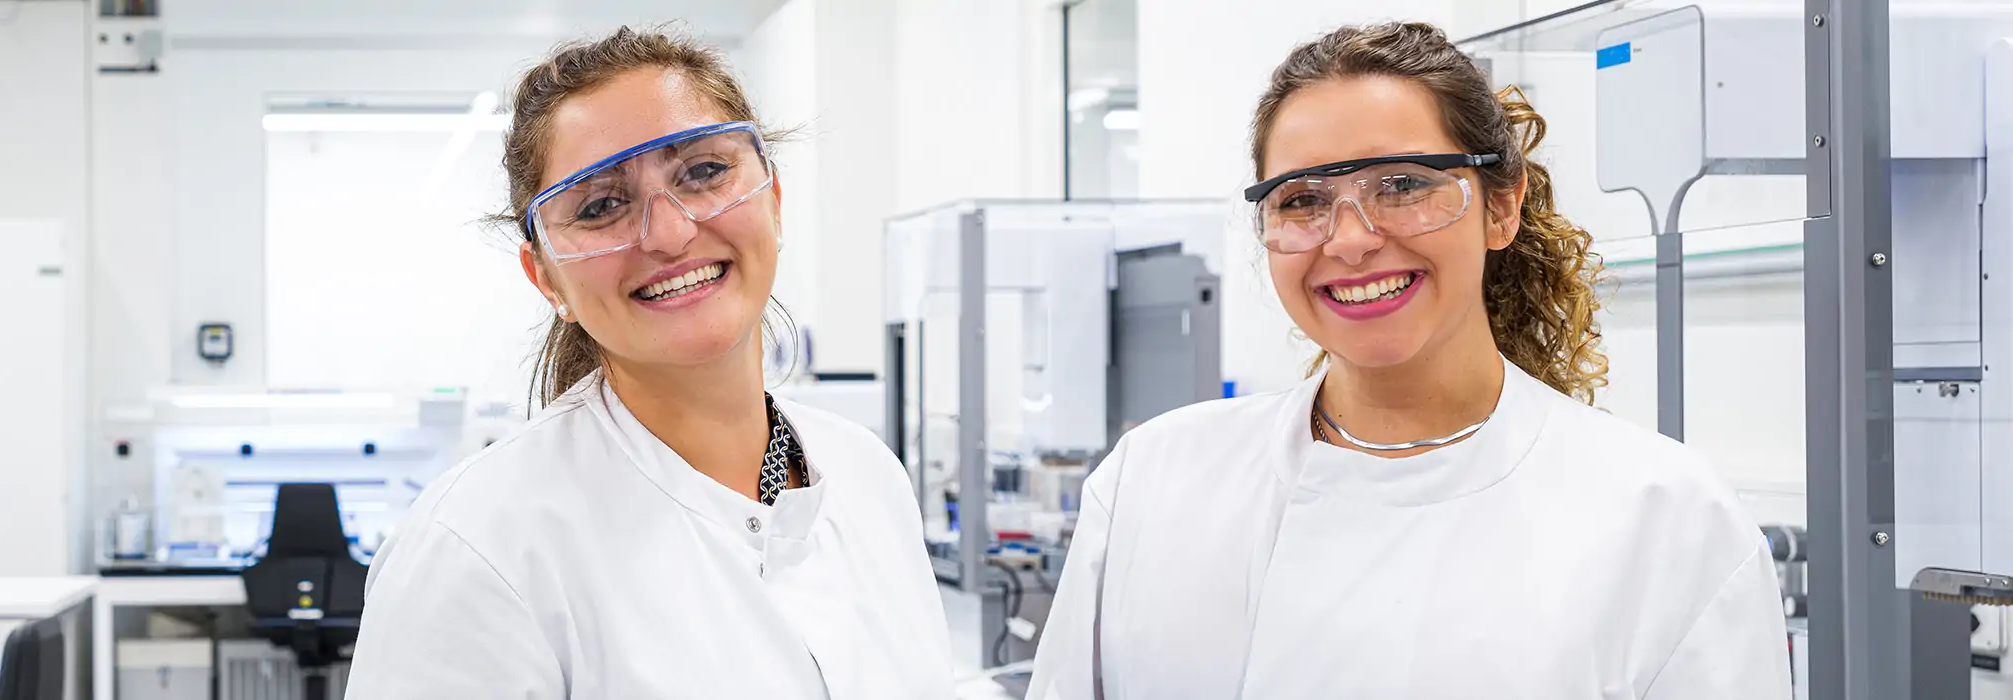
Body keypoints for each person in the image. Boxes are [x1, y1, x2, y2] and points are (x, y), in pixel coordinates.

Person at [1026, 22, 1789, 699]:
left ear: (1500, 206)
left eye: (1402, 185)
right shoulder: (1152, 480)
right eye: (1301, 200)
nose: (1350, 238)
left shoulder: (1663, 519)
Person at [346, 27, 951, 699]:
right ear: (546, 279)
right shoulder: (479, 550)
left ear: (773, 201)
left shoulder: (871, 480)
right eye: (602, 205)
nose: (670, 233)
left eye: (703, 172)